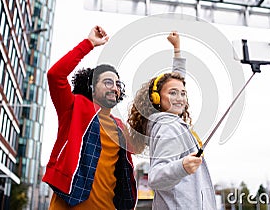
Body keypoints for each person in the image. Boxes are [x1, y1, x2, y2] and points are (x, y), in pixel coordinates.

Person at [42, 26, 185, 209]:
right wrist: (89, 44)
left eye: (118, 84)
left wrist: (177, 53)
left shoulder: (120, 128)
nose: (115, 88)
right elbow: (55, 75)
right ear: (92, 87)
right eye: (108, 82)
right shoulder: (73, 108)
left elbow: (168, 103)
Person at [127, 35, 217, 210]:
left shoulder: (169, 121)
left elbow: (176, 80)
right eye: (173, 93)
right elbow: (156, 177)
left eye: (183, 93)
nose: (180, 98)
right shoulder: (167, 126)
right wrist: (182, 166)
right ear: (156, 98)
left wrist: (177, 50)